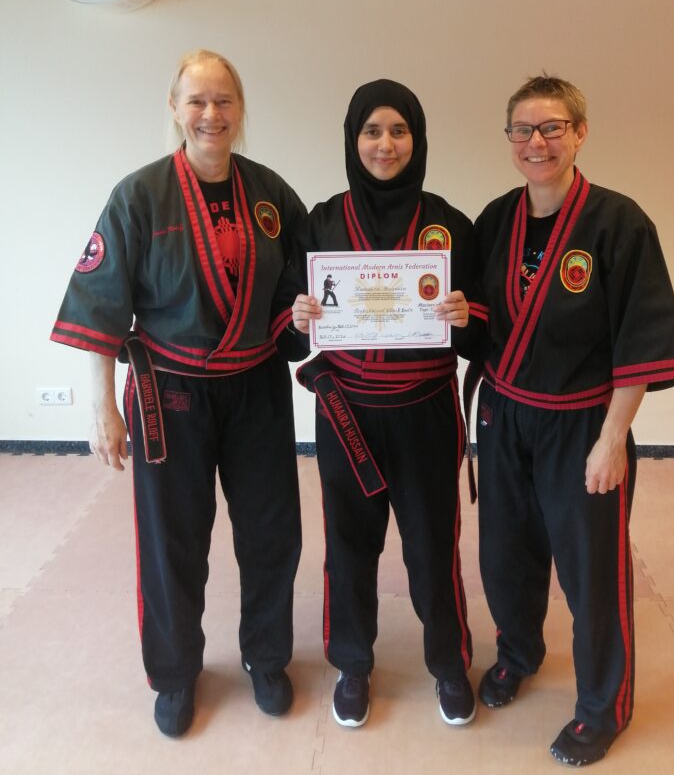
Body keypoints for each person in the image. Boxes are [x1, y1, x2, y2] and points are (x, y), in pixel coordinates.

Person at [51, 50, 306, 738]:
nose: (211, 115)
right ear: (174, 108)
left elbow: (298, 293)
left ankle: (266, 656)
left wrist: (310, 316)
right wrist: (103, 404)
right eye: (197, 101)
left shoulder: (272, 195)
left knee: (272, 531)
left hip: (255, 386)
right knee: (173, 542)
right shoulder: (140, 196)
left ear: (240, 109)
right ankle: (174, 674)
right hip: (170, 392)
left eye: (223, 101)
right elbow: (101, 304)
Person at [469, 75, 674, 766]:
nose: (537, 142)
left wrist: (612, 440)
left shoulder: (619, 223)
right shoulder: (496, 219)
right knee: (506, 556)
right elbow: (480, 316)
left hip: (581, 423)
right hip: (505, 416)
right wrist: (448, 313)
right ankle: (518, 653)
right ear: (508, 140)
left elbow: (641, 341)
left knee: (591, 572)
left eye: (552, 128)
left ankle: (603, 705)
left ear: (580, 133)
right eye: (524, 130)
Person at [276, 79, 475, 728]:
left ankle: (448, 663)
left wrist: (464, 314)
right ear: (351, 140)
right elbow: (284, 329)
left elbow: (487, 329)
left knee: (431, 547)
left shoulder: (448, 223)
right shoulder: (321, 221)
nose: (385, 144)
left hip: (426, 414)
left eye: (398, 131)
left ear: (417, 140)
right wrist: (301, 318)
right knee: (349, 545)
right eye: (371, 131)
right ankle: (353, 664)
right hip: (347, 412)